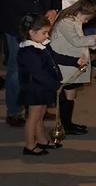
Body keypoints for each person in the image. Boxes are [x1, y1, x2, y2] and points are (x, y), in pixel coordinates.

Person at [2, 0, 63, 128]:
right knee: (17, 69)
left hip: (42, 24)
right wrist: (35, 21)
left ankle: (35, 107)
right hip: (19, 25)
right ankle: (14, 110)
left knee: (39, 69)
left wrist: (55, 8)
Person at [18, 14, 79, 155]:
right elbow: (38, 73)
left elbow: (55, 57)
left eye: (47, 32)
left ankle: (42, 140)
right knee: (33, 117)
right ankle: (29, 145)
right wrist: (55, 84)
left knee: (40, 116)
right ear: (31, 33)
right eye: (44, 33)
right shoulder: (28, 51)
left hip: (43, 88)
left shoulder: (41, 45)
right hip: (34, 89)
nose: (47, 36)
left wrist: (74, 61)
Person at [49, 0, 96, 135]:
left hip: (72, 62)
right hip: (66, 63)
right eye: (86, 18)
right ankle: (66, 125)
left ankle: (67, 123)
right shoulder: (66, 22)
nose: (86, 22)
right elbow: (76, 40)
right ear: (80, 11)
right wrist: (94, 37)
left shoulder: (73, 21)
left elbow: (79, 38)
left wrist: (93, 43)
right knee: (69, 94)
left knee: (70, 95)